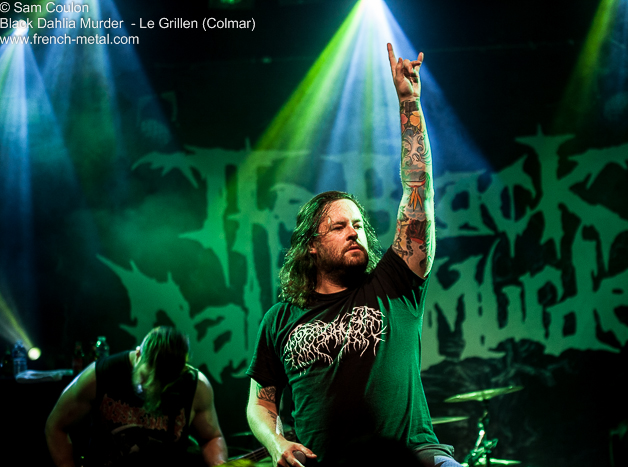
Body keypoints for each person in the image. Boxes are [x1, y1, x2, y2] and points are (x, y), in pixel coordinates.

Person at [245, 43, 460, 467]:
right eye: (339, 226)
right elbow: (260, 403)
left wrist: (409, 102)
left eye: (358, 225)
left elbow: (419, 188)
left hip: (413, 456)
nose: (354, 233)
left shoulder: (394, 284)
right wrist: (276, 444)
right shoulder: (279, 319)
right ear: (311, 244)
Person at [45, 327, 228, 467]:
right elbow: (56, 427)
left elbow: (211, 437)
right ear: (138, 354)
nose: (152, 389)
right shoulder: (99, 376)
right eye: (146, 378)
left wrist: (220, 464)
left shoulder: (196, 385)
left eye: (163, 384)